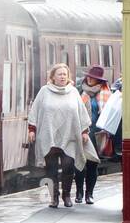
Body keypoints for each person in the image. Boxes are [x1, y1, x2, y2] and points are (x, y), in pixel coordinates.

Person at [28, 63, 92, 208]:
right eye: (59, 74)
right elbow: (35, 111)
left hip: (69, 136)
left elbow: (81, 113)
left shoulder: (73, 92)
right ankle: (54, 197)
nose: (62, 77)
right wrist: (32, 129)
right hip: (48, 135)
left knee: (68, 167)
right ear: (53, 77)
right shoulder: (44, 91)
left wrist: (84, 131)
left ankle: (67, 195)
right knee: (50, 170)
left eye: (64, 74)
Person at [74, 66, 111, 204]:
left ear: (99, 80)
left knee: (92, 164)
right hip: (80, 132)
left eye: (93, 77)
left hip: (97, 133)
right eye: (88, 76)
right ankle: (79, 193)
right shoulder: (79, 92)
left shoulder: (106, 94)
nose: (89, 78)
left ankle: (89, 194)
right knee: (79, 164)